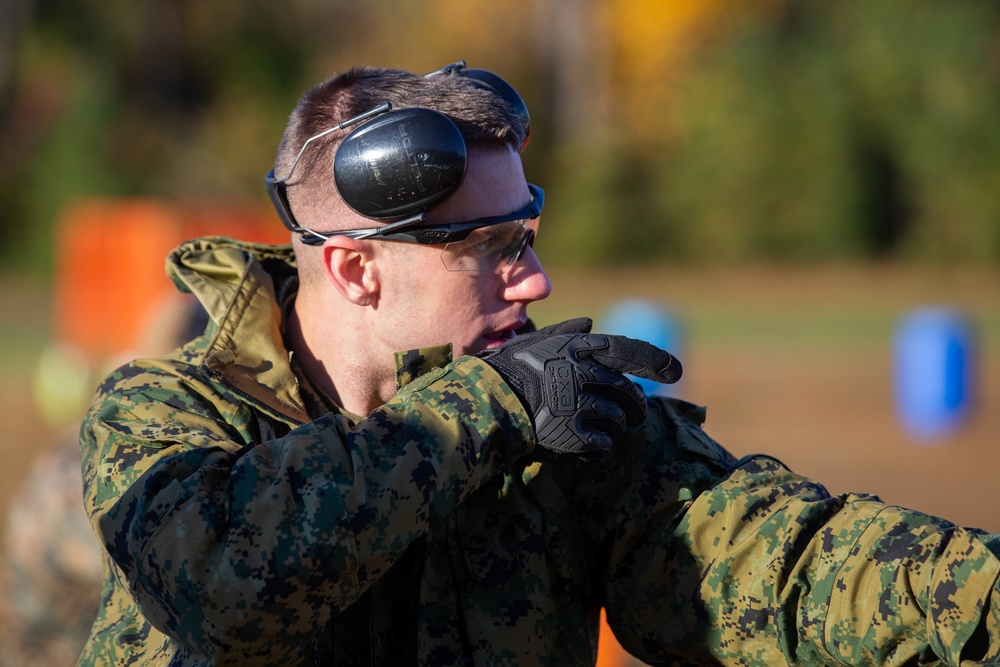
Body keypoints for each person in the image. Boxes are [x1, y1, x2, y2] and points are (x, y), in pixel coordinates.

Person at [77, 61, 1000, 667]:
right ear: (356, 268)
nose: (537, 277)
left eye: (531, 233)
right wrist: (486, 406)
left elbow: (783, 564)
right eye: (491, 245)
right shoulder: (167, 414)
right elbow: (220, 584)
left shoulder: (547, 420)